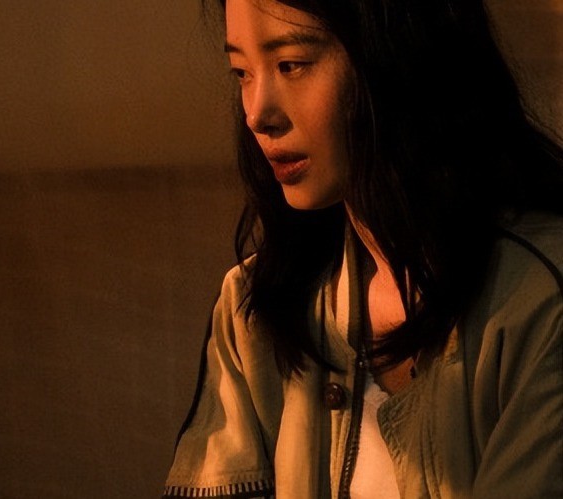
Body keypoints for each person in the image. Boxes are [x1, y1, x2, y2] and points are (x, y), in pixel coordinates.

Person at [163, 0, 563, 497]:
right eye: (242, 72)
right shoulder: (257, 306)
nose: (257, 115)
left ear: (396, 56)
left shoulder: (539, 301)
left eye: (291, 65)